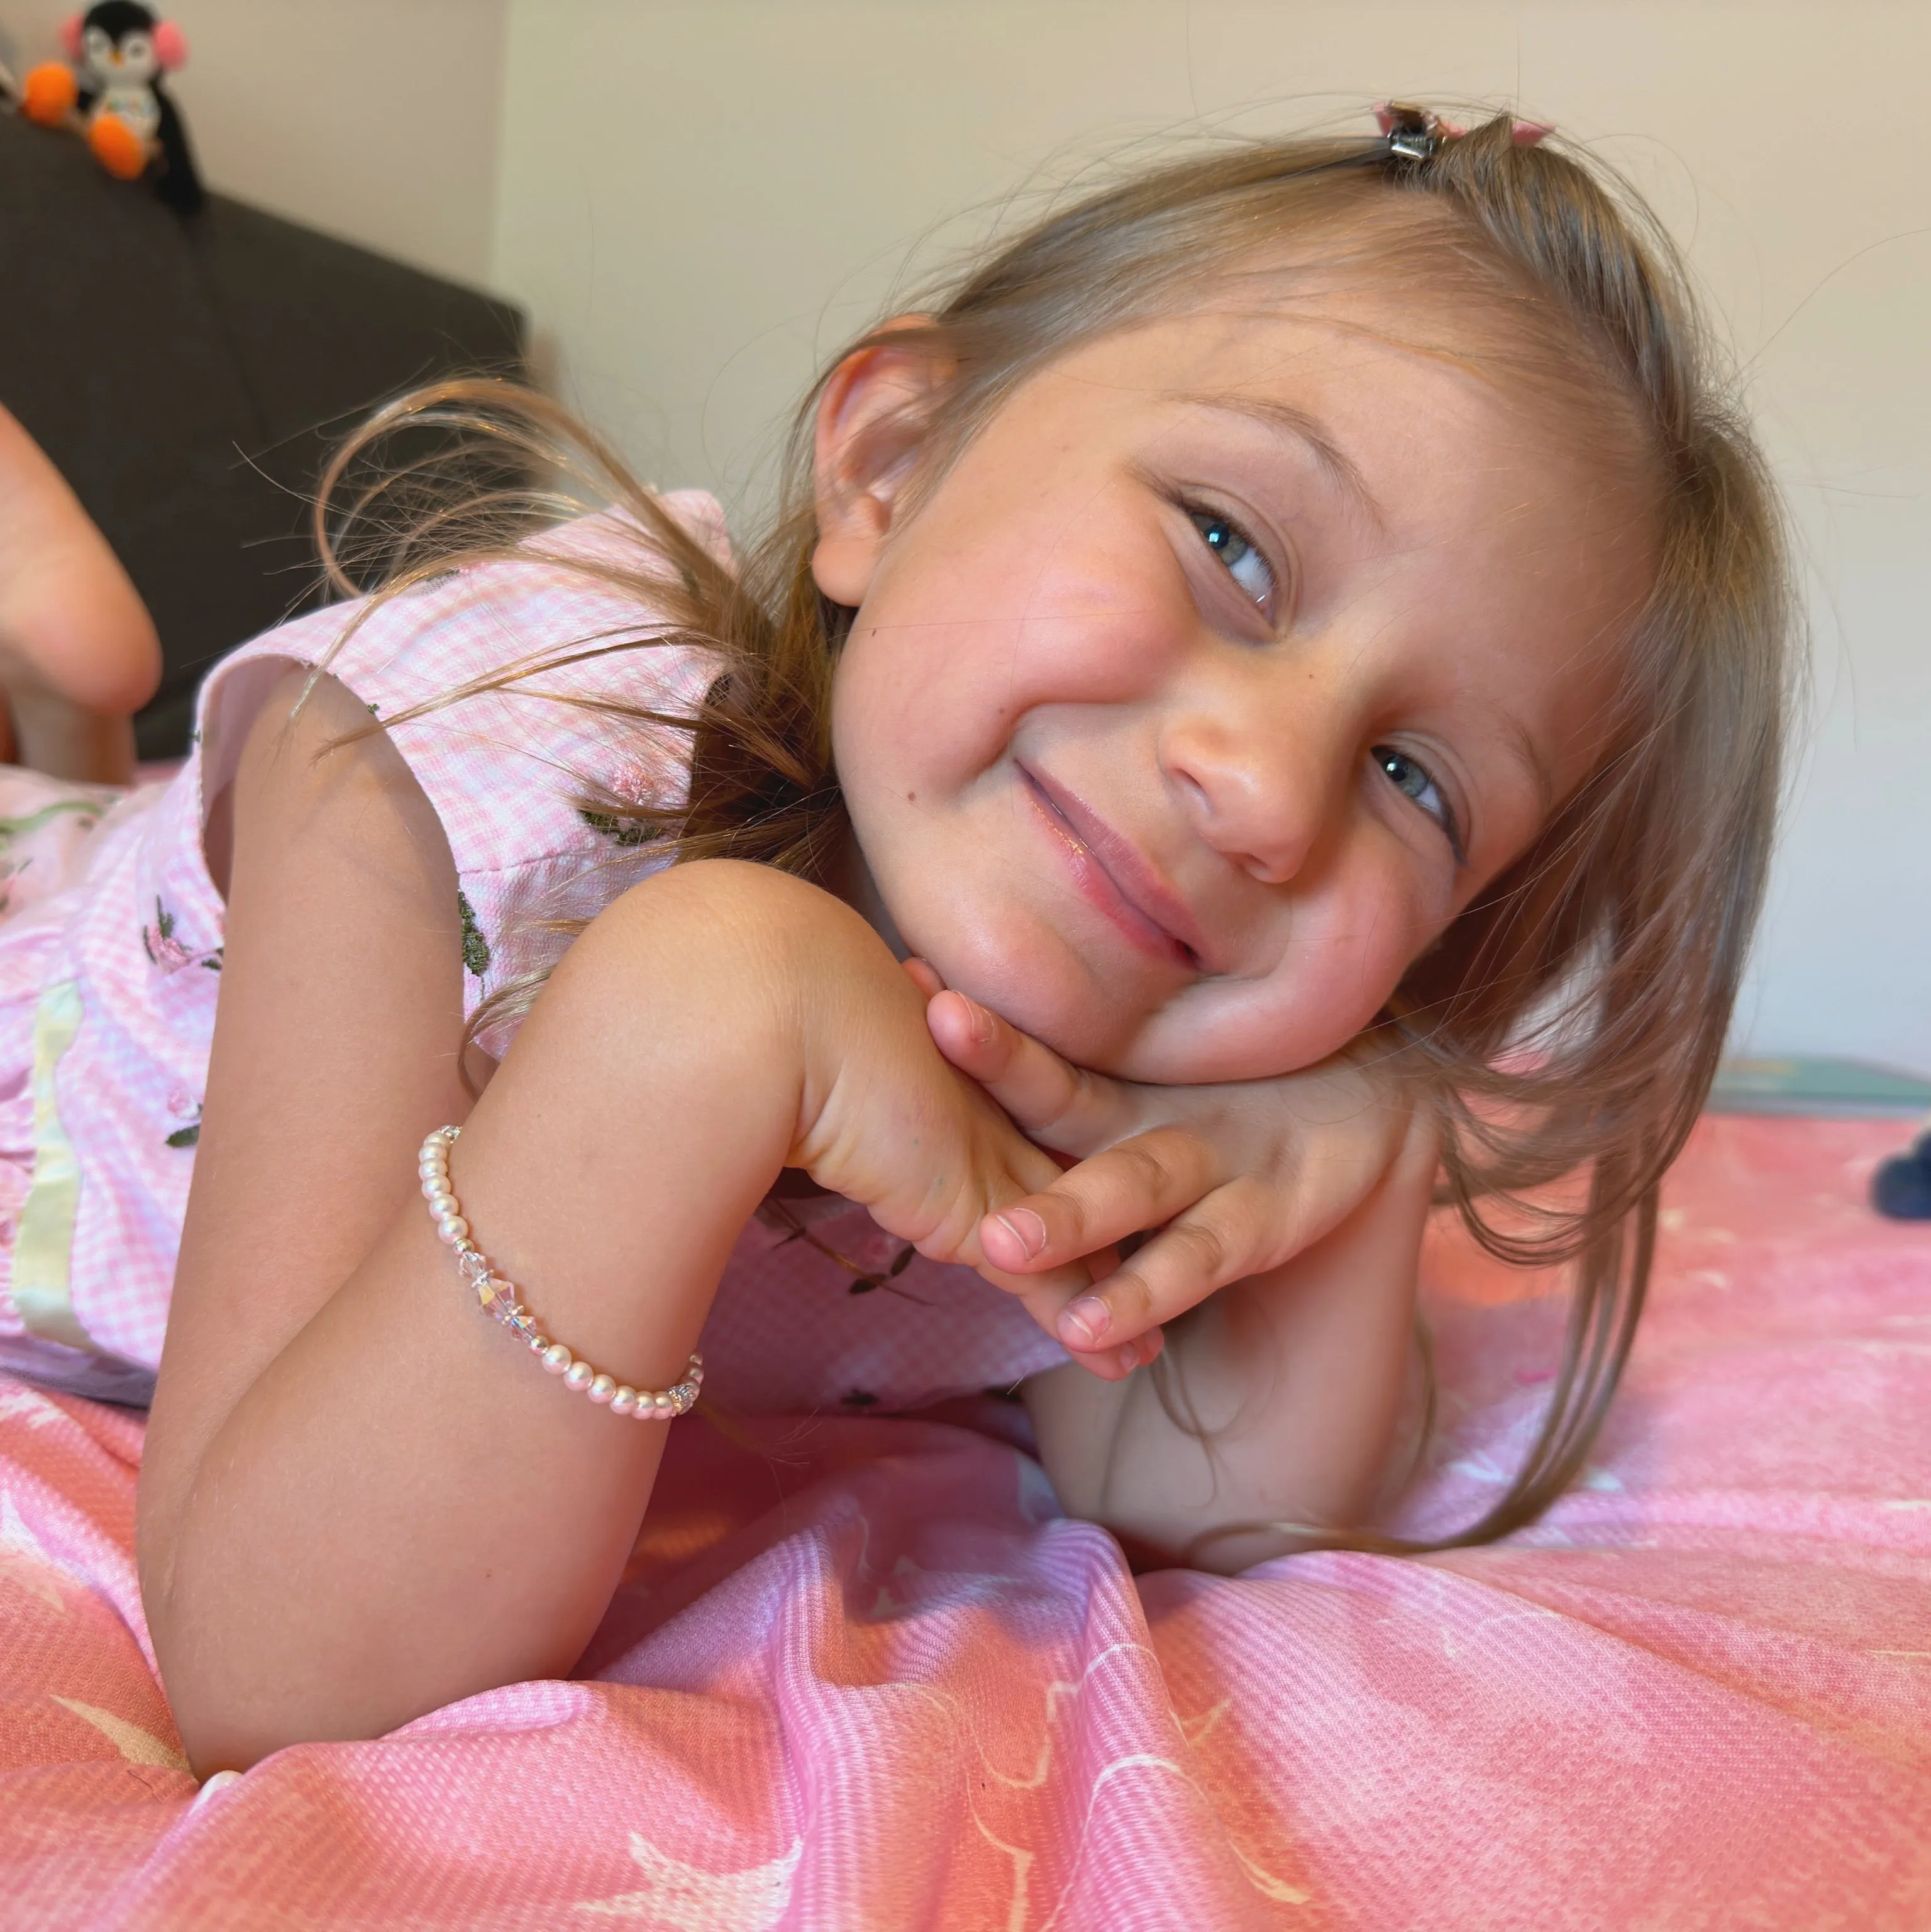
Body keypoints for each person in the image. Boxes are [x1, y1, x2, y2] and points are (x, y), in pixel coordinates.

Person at [0, 108, 1790, 1775]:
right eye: (1231, 546)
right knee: (88, 661)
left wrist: (1358, 1159)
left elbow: (1190, 1516)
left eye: (1414, 778)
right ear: (889, 463)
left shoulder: (1155, 1009)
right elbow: (278, 1674)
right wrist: (693, 1012)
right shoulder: (467, 754)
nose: (1265, 789)